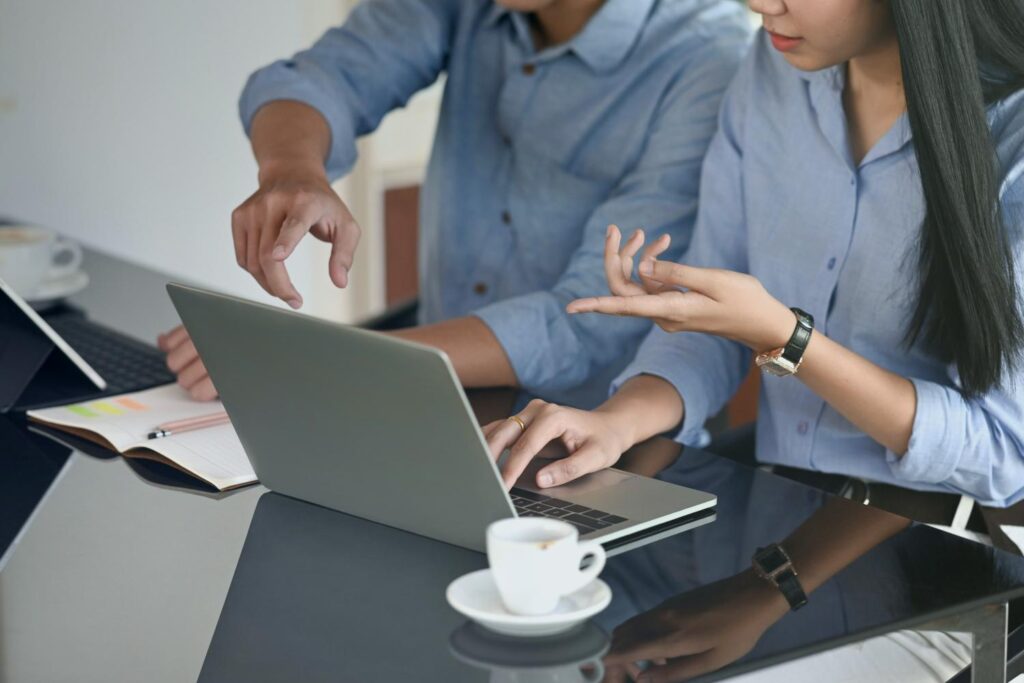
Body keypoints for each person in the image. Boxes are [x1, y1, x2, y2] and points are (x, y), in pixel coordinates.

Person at [486, 0, 1024, 535]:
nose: (759, 3)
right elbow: (711, 330)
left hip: (943, 554)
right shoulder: (771, 68)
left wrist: (786, 338)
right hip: (781, 515)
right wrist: (612, 422)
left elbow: (1003, 455)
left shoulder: (1012, 134)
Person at [157, 0, 752, 404]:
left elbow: (588, 319)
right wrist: (292, 169)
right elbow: (324, 77)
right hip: (437, 400)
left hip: (615, 449)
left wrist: (318, 361)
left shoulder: (710, 58)